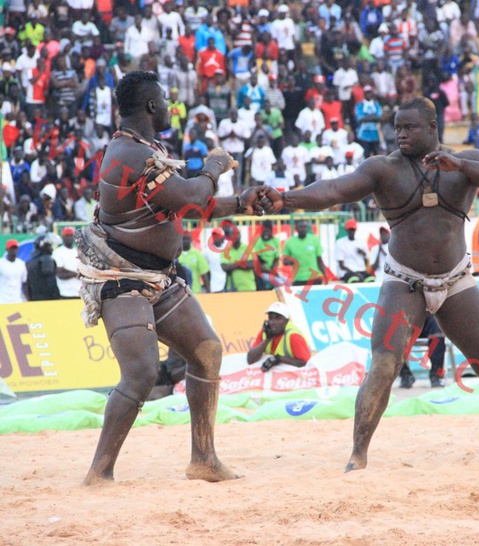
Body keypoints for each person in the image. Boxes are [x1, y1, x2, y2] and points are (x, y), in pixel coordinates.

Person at [267, 97, 479, 470]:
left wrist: (461, 165)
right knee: (384, 366)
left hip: (456, 280)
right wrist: (285, 199)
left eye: (409, 127)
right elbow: (335, 190)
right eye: (397, 127)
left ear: (433, 128)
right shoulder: (383, 169)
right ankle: (358, 455)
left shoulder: (466, 160)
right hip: (404, 281)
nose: (400, 133)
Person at [75, 71, 275, 485]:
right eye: (165, 100)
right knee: (142, 373)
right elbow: (191, 196)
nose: (170, 106)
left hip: (156, 277)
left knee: (206, 351)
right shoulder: (127, 153)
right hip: (121, 278)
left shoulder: (146, 150)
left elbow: (184, 208)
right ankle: (99, 472)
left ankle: (204, 459)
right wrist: (214, 167)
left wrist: (240, 203)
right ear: (151, 106)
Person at [246, 302, 311, 371]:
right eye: (270, 318)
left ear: (286, 321)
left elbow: (306, 364)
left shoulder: (294, 336)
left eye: (278, 318)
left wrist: (280, 359)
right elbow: (250, 359)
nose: (273, 322)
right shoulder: (266, 332)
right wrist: (268, 338)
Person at [398, 315, 447, 388]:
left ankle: (436, 376)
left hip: (427, 323)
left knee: (436, 323)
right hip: (405, 324)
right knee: (391, 331)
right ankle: (406, 376)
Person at [283, 219, 328, 286]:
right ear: (296, 228)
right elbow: (285, 261)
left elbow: (319, 260)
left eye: (305, 227)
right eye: (300, 227)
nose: (303, 229)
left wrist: (325, 275)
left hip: (315, 278)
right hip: (298, 279)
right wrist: (290, 261)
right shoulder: (289, 242)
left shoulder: (314, 239)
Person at [335, 218, 372, 283]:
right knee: (354, 279)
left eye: (353, 230)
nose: (351, 232)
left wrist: (362, 253)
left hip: (361, 270)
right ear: (346, 230)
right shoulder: (340, 243)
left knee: (371, 279)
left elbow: (366, 259)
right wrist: (355, 273)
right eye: (350, 230)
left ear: (355, 230)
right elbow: (341, 265)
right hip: (347, 272)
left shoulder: (361, 242)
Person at [26, 233, 61, 301]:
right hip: (48, 298)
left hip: (34, 296)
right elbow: (50, 282)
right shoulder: (47, 259)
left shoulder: (30, 261)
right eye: (50, 246)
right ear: (45, 247)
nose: (52, 248)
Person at [52, 226, 82, 299]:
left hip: (80, 292)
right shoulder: (57, 252)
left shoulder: (79, 252)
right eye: (67, 235)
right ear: (63, 237)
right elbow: (60, 273)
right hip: (65, 293)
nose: (69, 238)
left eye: (71, 235)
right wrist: (77, 274)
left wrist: (72, 273)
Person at [0, 239, 27, 304]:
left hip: (17, 300)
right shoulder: (1, 263)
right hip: (3, 300)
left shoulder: (21, 264)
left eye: (15, 248)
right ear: (7, 249)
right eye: (11, 248)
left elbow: (24, 282)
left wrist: (27, 298)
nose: (13, 251)